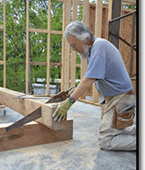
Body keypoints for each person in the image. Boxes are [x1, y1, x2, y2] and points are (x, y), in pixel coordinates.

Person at [53, 21, 136, 151]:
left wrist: (69, 102)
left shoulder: (99, 46)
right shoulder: (92, 51)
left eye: (74, 45)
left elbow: (88, 80)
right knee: (117, 130)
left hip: (120, 98)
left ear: (85, 38)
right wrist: (74, 91)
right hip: (115, 98)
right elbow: (94, 77)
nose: (73, 49)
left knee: (106, 141)